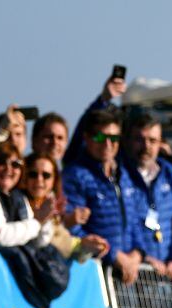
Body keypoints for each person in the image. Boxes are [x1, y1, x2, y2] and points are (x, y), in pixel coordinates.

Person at [62, 110, 145, 284]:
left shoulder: (126, 175)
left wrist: (137, 254)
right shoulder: (75, 175)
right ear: (86, 138)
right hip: (93, 274)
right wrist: (113, 254)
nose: (108, 143)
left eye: (114, 138)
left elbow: (137, 220)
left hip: (130, 273)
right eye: (100, 137)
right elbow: (72, 227)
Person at [123, 113, 172, 280]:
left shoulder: (169, 173)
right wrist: (143, 256)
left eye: (153, 141)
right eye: (139, 139)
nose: (146, 146)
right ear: (127, 141)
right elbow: (123, 223)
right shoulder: (119, 174)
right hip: (132, 270)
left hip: (166, 274)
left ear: (161, 143)